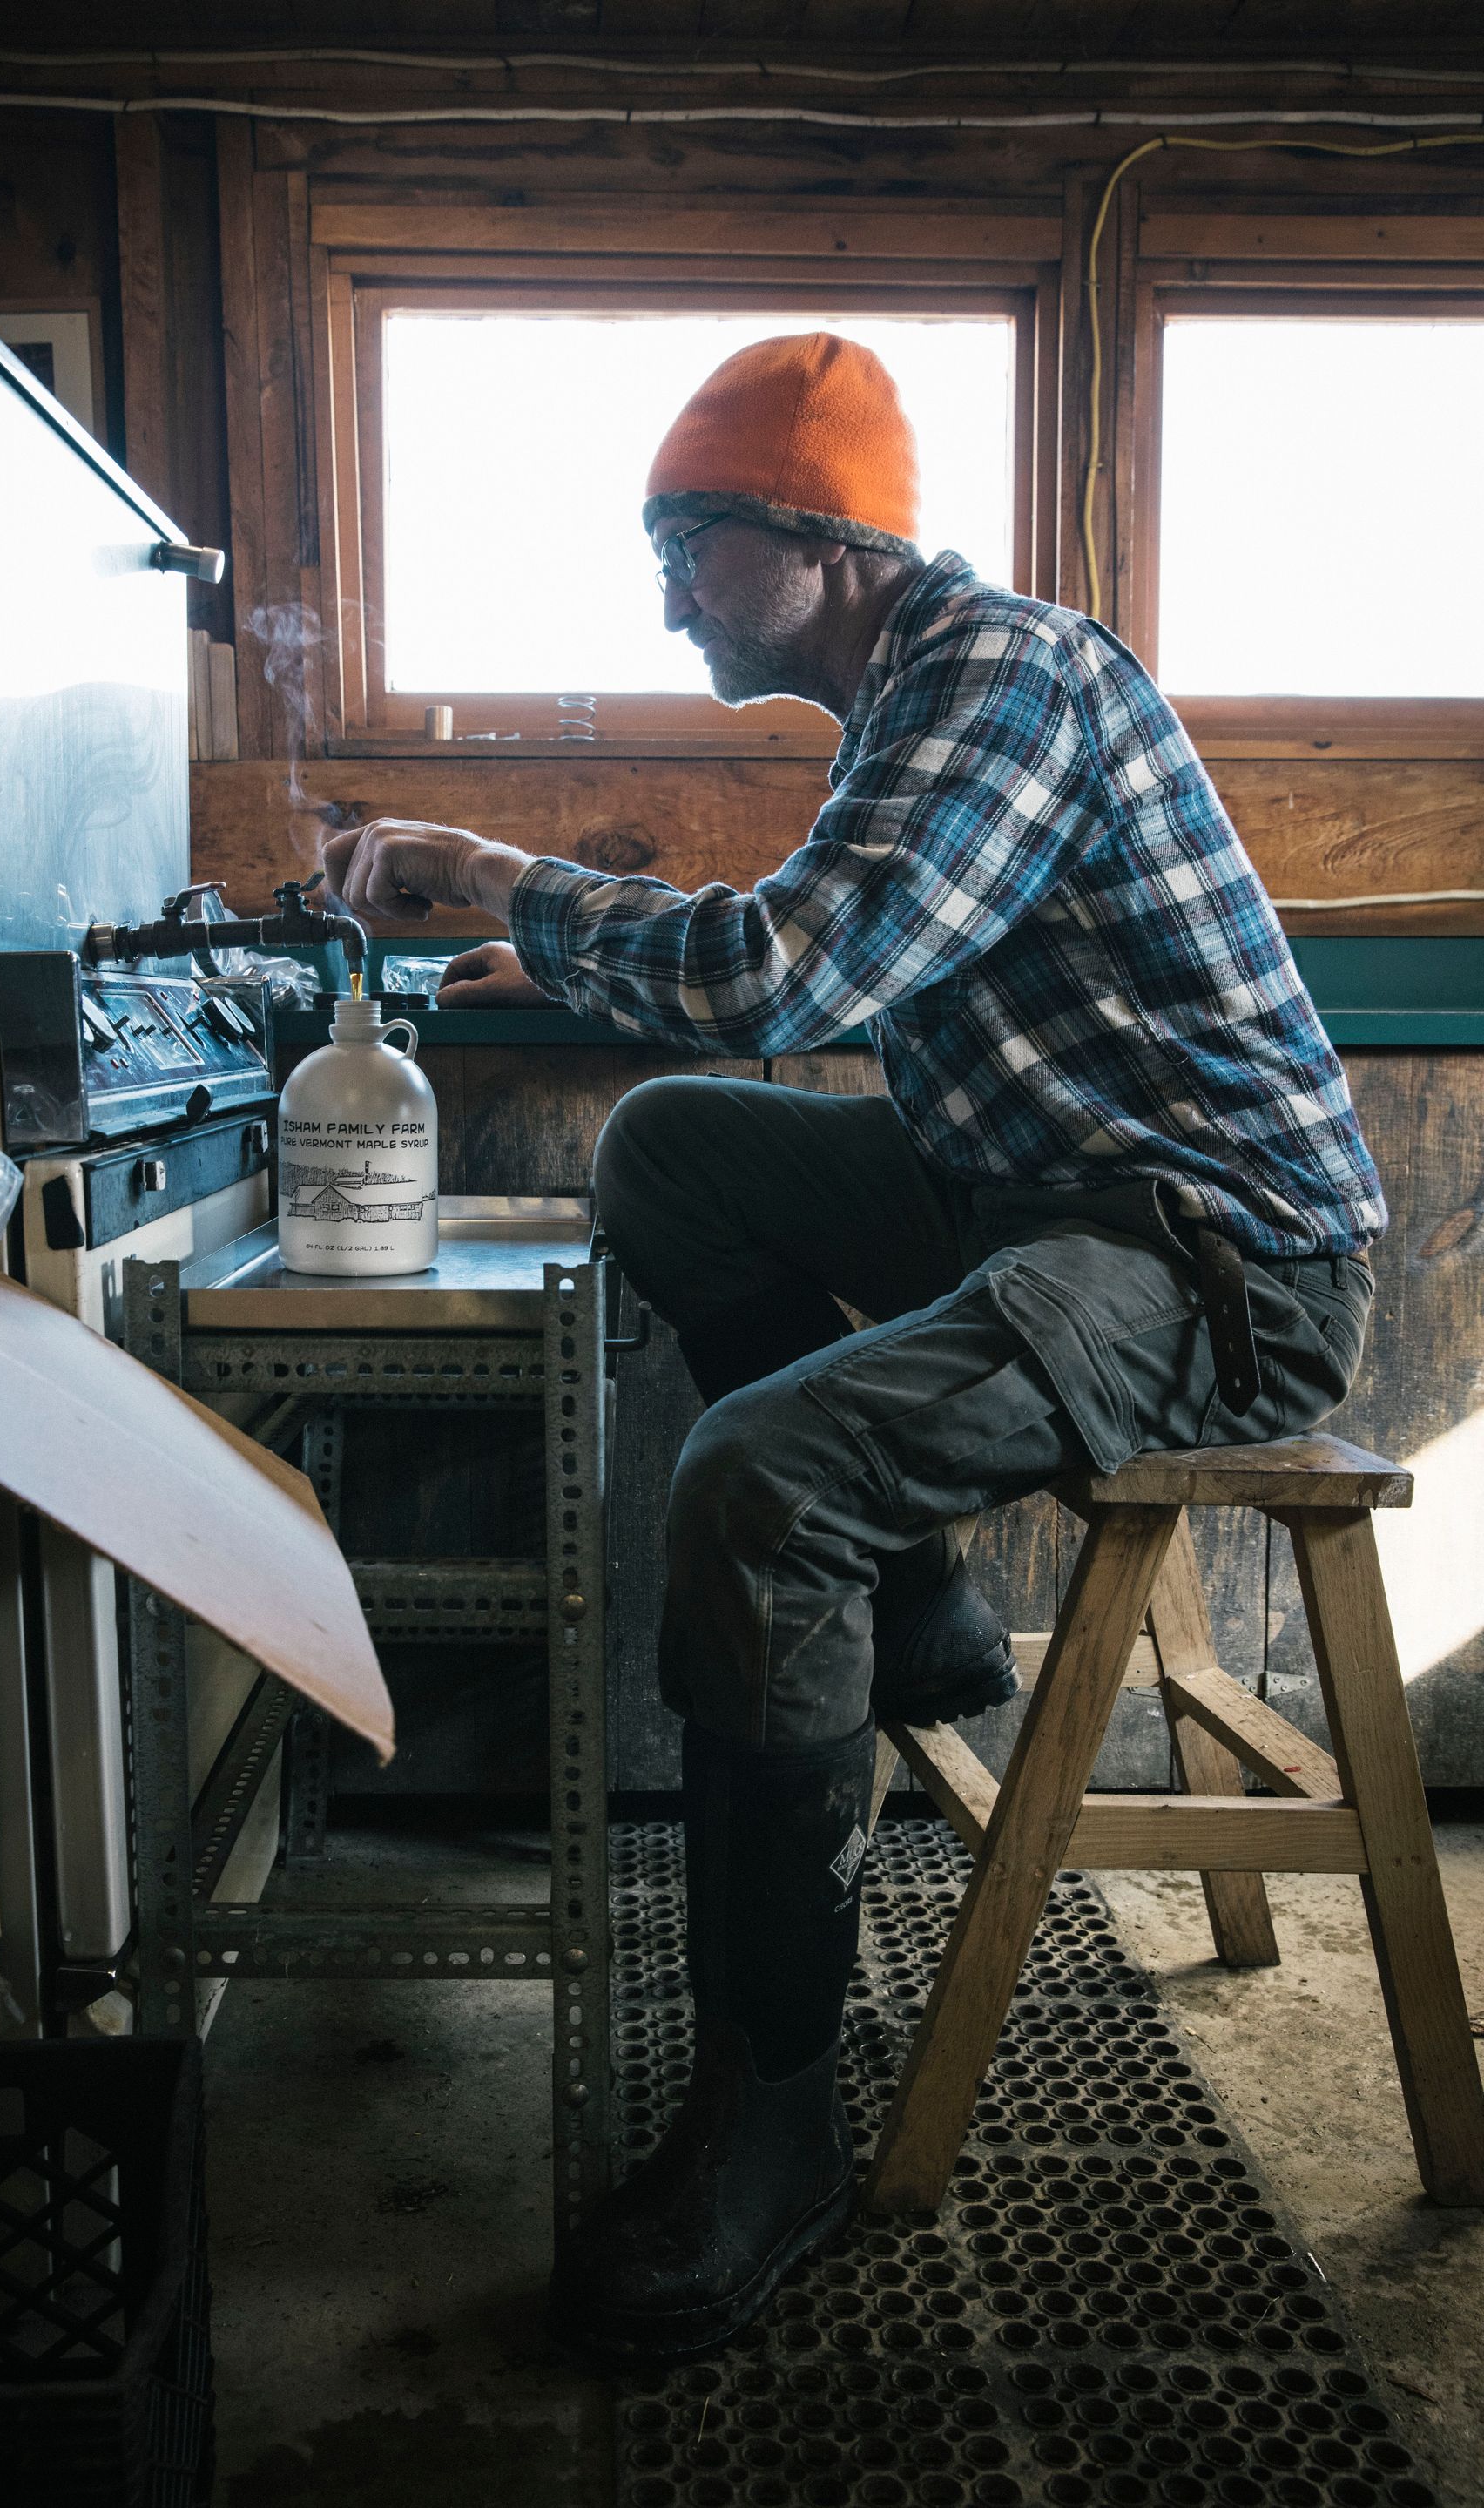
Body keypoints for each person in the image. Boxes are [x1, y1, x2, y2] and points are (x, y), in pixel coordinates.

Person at [321, 332, 1384, 2369]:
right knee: (675, 1149)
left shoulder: (1007, 676)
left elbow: (801, 963)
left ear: (817, 538)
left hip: (1219, 1259)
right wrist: (540, 936)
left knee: (762, 1476)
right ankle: (920, 1610)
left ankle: (778, 2115)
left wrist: (516, 879)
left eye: (686, 550)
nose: (663, 597)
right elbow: (815, 957)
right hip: (1036, 1197)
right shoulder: (915, 697)